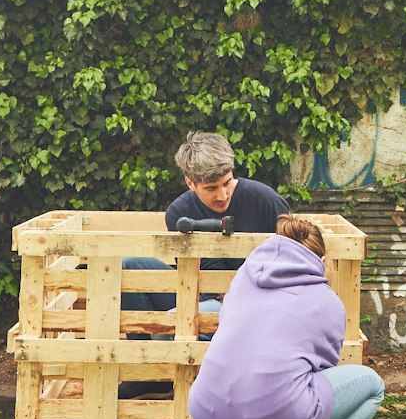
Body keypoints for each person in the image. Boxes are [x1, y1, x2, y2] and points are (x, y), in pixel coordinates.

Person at [188, 215, 383, 419]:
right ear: (320, 259)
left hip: (206, 413)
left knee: (237, 360)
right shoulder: (327, 302)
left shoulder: (241, 281)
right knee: (372, 385)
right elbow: (324, 370)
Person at [121, 131, 291, 326]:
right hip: (202, 294)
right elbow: (204, 272)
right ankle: (141, 344)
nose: (222, 195)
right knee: (129, 265)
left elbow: (294, 257)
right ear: (190, 183)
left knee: (173, 321)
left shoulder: (265, 200)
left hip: (258, 301)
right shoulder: (179, 213)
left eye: (227, 183)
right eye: (211, 188)